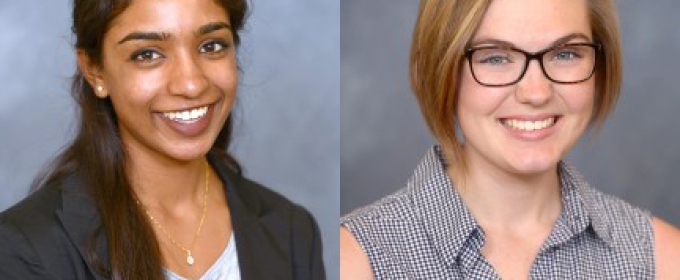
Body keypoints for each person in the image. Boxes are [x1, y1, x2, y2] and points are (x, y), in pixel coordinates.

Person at [340, 0, 680, 279]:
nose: (536, 92)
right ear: (439, 69)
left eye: (566, 54)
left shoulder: (662, 260)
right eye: (496, 57)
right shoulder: (352, 260)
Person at [0, 0, 325, 279]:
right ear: (95, 71)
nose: (191, 84)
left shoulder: (292, 231)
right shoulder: (26, 248)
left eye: (211, 46)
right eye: (148, 54)